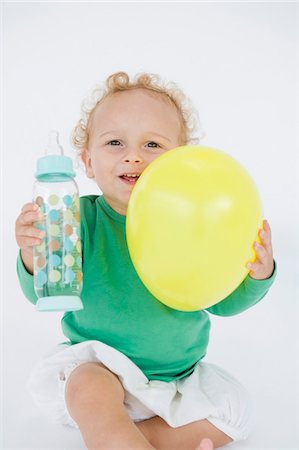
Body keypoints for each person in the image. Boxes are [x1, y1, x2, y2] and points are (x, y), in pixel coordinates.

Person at [15, 72, 276, 450]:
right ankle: (114, 432)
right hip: (103, 371)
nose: (132, 155)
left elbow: (222, 301)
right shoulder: (75, 219)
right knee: (87, 385)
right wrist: (33, 252)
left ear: (182, 160)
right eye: (115, 142)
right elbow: (46, 289)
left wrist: (256, 274)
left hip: (176, 378)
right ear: (87, 161)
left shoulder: (192, 221)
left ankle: (135, 441)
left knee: (237, 413)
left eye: (152, 144)